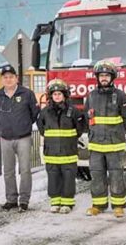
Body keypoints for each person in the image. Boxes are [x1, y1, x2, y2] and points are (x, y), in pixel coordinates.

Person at [84, 60, 126, 218]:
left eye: (107, 75)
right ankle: (98, 205)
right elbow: (87, 117)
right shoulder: (91, 96)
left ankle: (118, 206)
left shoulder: (120, 96)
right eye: (101, 76)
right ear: (97, 78)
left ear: (112, 78)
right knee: (97, 175)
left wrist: (118, 133)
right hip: (96, 145)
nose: (104, 78)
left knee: (116, 175)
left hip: (115, 145)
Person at [0, 65, 40, 212]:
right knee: (8, 171)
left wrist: (23, 125)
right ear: (2, 79)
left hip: (23, 138)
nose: (8, 79)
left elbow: (34, 113)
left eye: (11, 77)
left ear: (16, 78)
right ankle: (11, 199)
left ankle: (24, 201)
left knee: (25, 169)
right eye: (5, 77)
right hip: (5, 138)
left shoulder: (27, 93)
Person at [37, 79, 85, 214]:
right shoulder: (45, 112)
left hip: (68, 152)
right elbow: (42, 129)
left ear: (65, 95)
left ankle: (67, 203)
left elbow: (80, 129)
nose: (57, 96)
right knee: (53, 176)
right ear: (50, 96)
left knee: (68, 176)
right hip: (52, 152)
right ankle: (55, 202)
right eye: (54, 94)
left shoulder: (74, 111)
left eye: (59, 94)